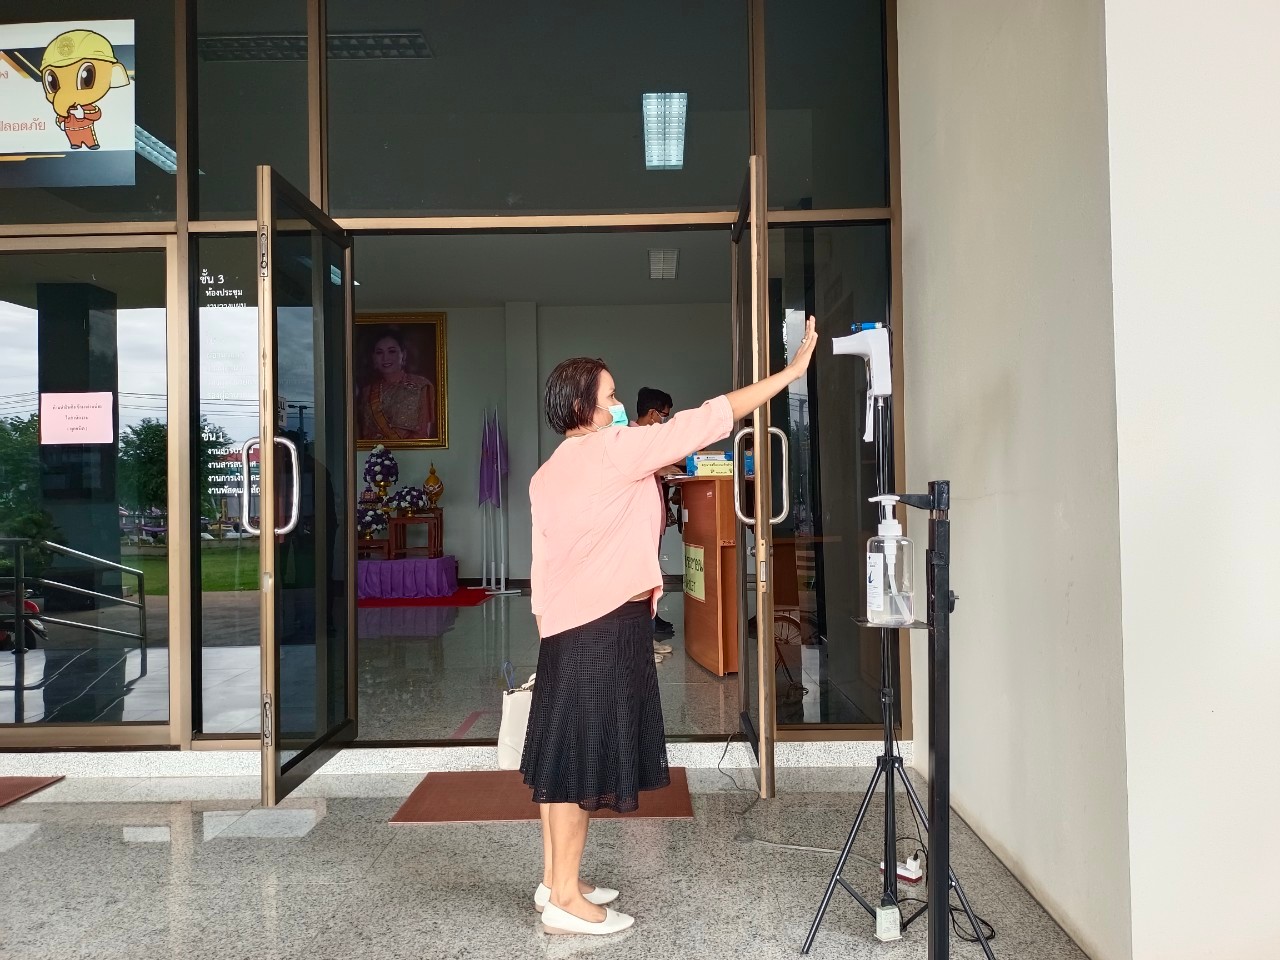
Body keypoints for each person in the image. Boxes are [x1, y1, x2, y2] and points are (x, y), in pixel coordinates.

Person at [523, 316, 820, 936]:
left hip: (564, 632)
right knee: (583, 761)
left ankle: (555, 880)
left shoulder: (547, 472)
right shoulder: (615, 449)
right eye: (610, 397)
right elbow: (711, 417)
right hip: (604, 628)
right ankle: (566, 905)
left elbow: (541, 562)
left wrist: (547, 626)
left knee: (563, 757)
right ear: (582, 408)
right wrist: (790, 374)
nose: (619, 407)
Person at [631, 387, 680, 653]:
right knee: (640, 581)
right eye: (664, 415)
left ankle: (648, 635)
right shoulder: (632, 439)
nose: (664, 421)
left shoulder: (648, 439)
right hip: (638, 524)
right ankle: (643, 642)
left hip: (650, 521)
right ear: (652, 414)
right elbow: (657, 466)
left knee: (649, 580)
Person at [356, 328, 436, 441]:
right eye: (379, 352)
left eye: (392, 351)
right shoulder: (367, 392)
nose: (385, 358)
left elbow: (422, 435)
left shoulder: (421, 386)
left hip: (411, 451)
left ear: (403, 355)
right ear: (373, 358)